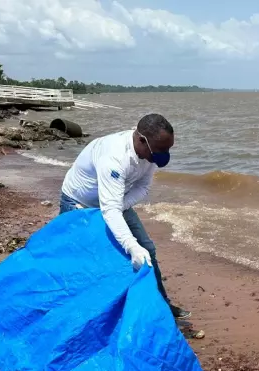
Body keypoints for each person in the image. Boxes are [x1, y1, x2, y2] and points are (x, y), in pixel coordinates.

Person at [59, 113, 189, 319]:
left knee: (147, 249)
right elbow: (108, 210)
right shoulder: (114, 157)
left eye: (168, 149)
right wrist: (130, 245)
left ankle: (161, 306)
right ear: (141, 140)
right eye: (159, 150)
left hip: (117, 200)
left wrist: (121, 209)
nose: (163, 154)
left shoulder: (152, 152)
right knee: (86, 259)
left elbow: (143, 188)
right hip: (79, 202)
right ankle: (84, 315)